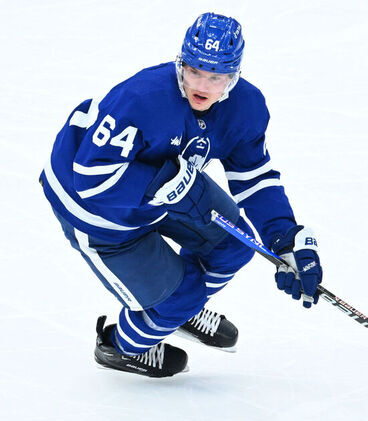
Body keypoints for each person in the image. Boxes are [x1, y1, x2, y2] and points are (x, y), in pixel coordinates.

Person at [39, 12, 323, 378]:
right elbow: (91, 178)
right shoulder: (143, 97)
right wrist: (156, 186)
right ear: (181, 63)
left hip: (170, 181)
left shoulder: (246, 108)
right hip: (94, 209)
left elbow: (254, 176)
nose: (201, 85)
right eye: (194, 71)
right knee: (177, 301)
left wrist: (285, 236)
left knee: (235, 246)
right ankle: (120, 345)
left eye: (216, 76)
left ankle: (181, 306)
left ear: (233, 76)